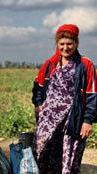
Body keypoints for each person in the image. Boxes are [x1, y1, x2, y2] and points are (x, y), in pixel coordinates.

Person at [32, 24, 97, 173]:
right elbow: (38, 85)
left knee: (69, 159)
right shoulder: (51, 64)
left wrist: (87, 121)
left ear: (76, 43)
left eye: (69, 44)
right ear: (57, 44)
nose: (65, 48)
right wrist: (38, 104)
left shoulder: (85, 65)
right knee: (41, 154)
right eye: (62, 44)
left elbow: (92, 94)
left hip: (73, 120)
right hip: (48, 121)